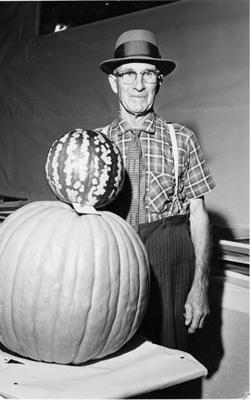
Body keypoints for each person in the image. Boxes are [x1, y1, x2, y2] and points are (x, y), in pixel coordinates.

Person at [96, 29, 216, 352]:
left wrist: (200, 287)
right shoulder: (97, 144)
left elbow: (199, 217)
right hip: (113, 276)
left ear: (159, 80)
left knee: (169, 378)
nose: (138, 85)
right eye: (128, 74)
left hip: (170, 277)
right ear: (113, 82)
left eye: (147, 74)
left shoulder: (182, 139)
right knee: (113, 372)